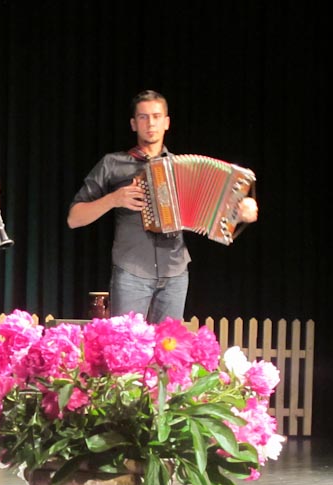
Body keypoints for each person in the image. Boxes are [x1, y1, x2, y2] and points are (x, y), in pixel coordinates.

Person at [67, 90, 258, 323]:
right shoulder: (113, 164)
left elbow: (214, 208)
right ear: (133, 124)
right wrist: (113, 199)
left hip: (175, 272)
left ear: (166, 122)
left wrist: (241, 211)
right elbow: (74, 218)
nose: (151, 123)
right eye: (143, 117)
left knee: (169, 345)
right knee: (127, 343)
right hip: (131, 271)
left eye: (156, 117)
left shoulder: (183, 168)